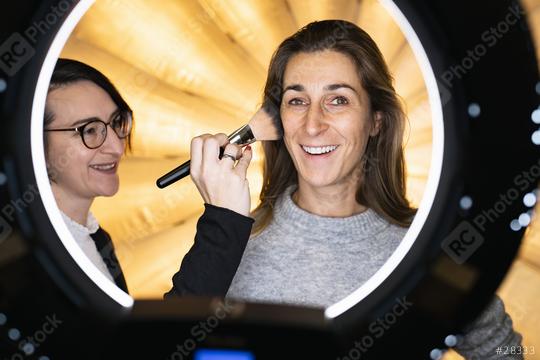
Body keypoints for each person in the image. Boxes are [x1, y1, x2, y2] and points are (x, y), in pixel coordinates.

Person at [167, 20, 522, 358]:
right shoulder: (228, 244)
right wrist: (221, 221)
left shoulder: (430, 251)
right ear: (278, 122)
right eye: (296, 100)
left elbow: (505, 353)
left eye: (338, 100)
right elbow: (165, 349)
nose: (313, 124)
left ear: (376, 121)